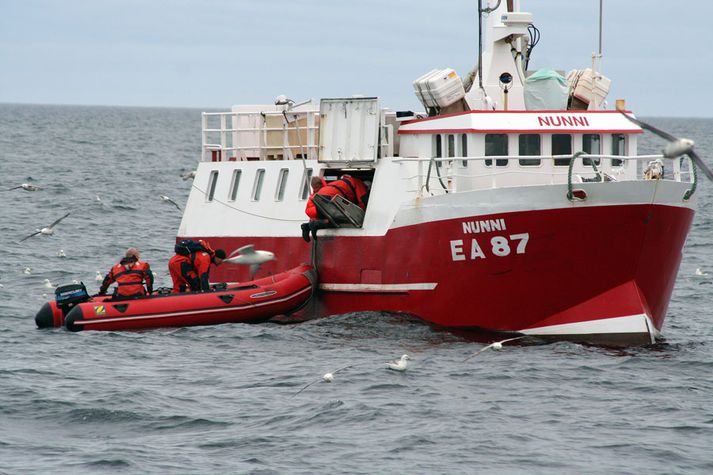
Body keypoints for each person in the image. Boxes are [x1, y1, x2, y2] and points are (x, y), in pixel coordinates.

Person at [301, 175, 369, 242]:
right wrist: (362, 215)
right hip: (329, 199)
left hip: (321, 199)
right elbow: (363, 201)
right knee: (341, 221)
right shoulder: (359, 183)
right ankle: (315, 224)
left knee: (331, 220)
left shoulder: (335, 183)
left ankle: (308, 226)